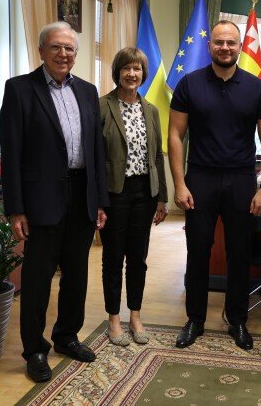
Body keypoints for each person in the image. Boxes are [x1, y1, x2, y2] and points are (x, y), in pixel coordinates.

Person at [0, 21, 109, 383]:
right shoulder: (19, 90)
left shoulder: (88, 92)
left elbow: (96, 151)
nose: (64, 54)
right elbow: (12, 153)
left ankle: (66, 336)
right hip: (41, 199)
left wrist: (100, 200)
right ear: (41, 50)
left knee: (76, 274)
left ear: (76, 53)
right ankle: (34, 350)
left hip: (82, 195)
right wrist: (15, 208)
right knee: (37, 279)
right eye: (56, 47)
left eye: (70, 48)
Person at [169, 20, 261, 351]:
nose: (225, 48)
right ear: (209, 46)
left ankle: (238, 320)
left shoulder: (257, 88)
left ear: (240, 46)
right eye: (219, 42)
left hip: (241, 180)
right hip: (200, 179)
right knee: (197, 251)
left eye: (231, 42)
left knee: (240, 253)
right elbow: (175, 135)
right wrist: (179, 184)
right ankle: (195, 319)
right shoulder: (189, 84)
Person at [99, 47, 168, 347]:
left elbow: (157, 156)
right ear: (118, 72)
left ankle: (135, 315)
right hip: (114, 193)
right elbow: (95, 156)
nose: (131, 74)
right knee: (113, 258)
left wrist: (162, 197)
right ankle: (113, 318)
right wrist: (98, 200)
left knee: (138, 258)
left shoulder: (150, 110)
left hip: (144, 193)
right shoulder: (102, 106)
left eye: (137, 68)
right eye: (126, 68)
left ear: (143, 73)